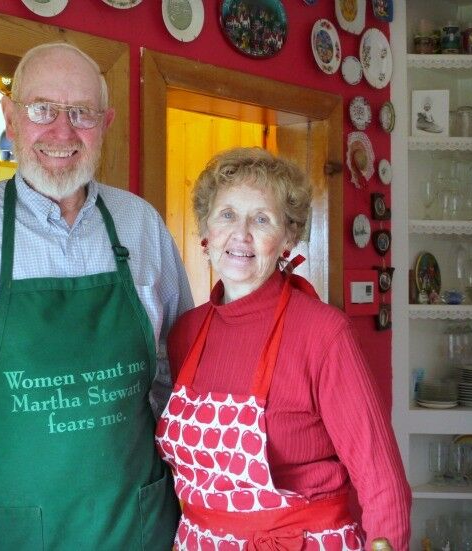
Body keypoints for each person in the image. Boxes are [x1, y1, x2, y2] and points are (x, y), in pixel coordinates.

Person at [0, 42, 193, 551]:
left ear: (106, 122)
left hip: (137, 527)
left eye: (82, 113)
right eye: (42, 109)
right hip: (9, 533)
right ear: (10, 115)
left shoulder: (141, 224)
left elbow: (179, 378)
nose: (62, 131)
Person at [155, 147, 411, 550]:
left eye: (261, 219)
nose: (241, 234)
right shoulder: (185, 332)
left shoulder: (323, 333)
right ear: (206, 229)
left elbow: (383, 482)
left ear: (288, 236)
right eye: (227, 215)